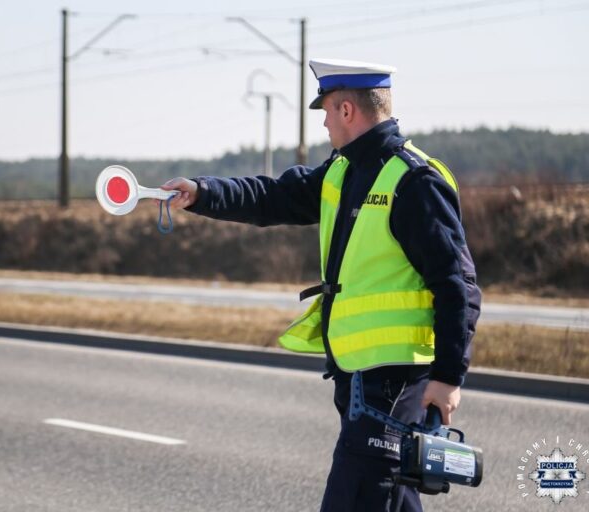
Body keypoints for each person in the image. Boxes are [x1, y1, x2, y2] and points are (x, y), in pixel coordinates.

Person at [160, 58, 481, 512]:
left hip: (393, 382)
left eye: (327, 110)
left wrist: (448, 377)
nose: (325, 122)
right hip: (356, 378)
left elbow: (457, 285)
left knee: (357, 498)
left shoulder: (414, 181)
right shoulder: (343, 171)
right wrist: (204, 192)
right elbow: (274, 196)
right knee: (389, 497)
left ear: (347, 110)